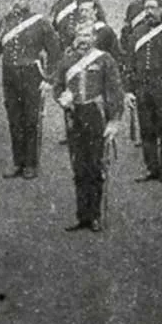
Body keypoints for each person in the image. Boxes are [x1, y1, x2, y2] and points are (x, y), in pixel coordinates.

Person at [54, 23, 124, 232]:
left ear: (94, 37)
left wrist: (114, 121)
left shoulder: (104, 60)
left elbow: (114, 91)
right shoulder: (67, 60)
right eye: (79, 35)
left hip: (97, 114)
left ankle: (94, 215)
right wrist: (61, 98)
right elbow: (58, 86)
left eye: (87, 35)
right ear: (75, 37)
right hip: (74, 116)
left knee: (95, 165)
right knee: (79, 166)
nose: (83, 39)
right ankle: (82, 216)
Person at [0, 0, 57, 180]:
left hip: (31, 75)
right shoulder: (5, 21)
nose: (17, 1)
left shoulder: (40, 22)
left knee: (31, 120)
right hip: (9, 76)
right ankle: (18, 162)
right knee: (14, 119)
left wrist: (49, 79)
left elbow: (55, 52)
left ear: (29, 1)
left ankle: (31, 164)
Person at [124, 0, 162, 183]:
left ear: (161, 11)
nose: (149, 11)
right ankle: (151, 168)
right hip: (142, 87)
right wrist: (129, 90)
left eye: (153, 8)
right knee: (146, 129)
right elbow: (130, 63)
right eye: (146, 8)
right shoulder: (136, 33)